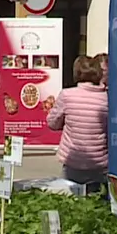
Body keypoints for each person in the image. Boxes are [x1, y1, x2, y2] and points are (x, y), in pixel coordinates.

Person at [46, 56, 108, 189]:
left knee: (71, 202)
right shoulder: (107, 98)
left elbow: (52, 123)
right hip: (99, 161)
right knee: (97, 202)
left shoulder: (67, 95)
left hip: (72, 159)